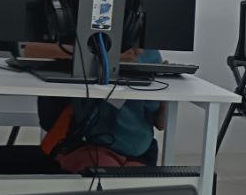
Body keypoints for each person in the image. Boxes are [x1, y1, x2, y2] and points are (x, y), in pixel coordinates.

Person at [27, 42, 168, 172]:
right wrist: (99, 57)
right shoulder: (87, 40)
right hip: (88, 142)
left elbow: (160, 123)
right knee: (107, 178)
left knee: (132, 184)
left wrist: (166, 84)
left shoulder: (149, 54)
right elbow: (30, 50)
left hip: (139, 148)